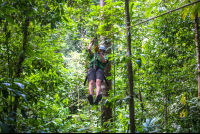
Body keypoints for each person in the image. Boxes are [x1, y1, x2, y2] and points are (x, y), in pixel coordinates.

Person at [87, 37, 108, 105]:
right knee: (91, 82)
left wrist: (100, 53)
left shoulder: (105, 57)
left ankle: (97, 97)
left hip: (100, 69)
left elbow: (104, 61)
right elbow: (89, 49)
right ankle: (91, 96)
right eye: (100, 50)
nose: (101, 51)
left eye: (102, 51)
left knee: (98, 82)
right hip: (92, 68)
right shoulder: (93, 55)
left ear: (103, 52)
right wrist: (92, 42)